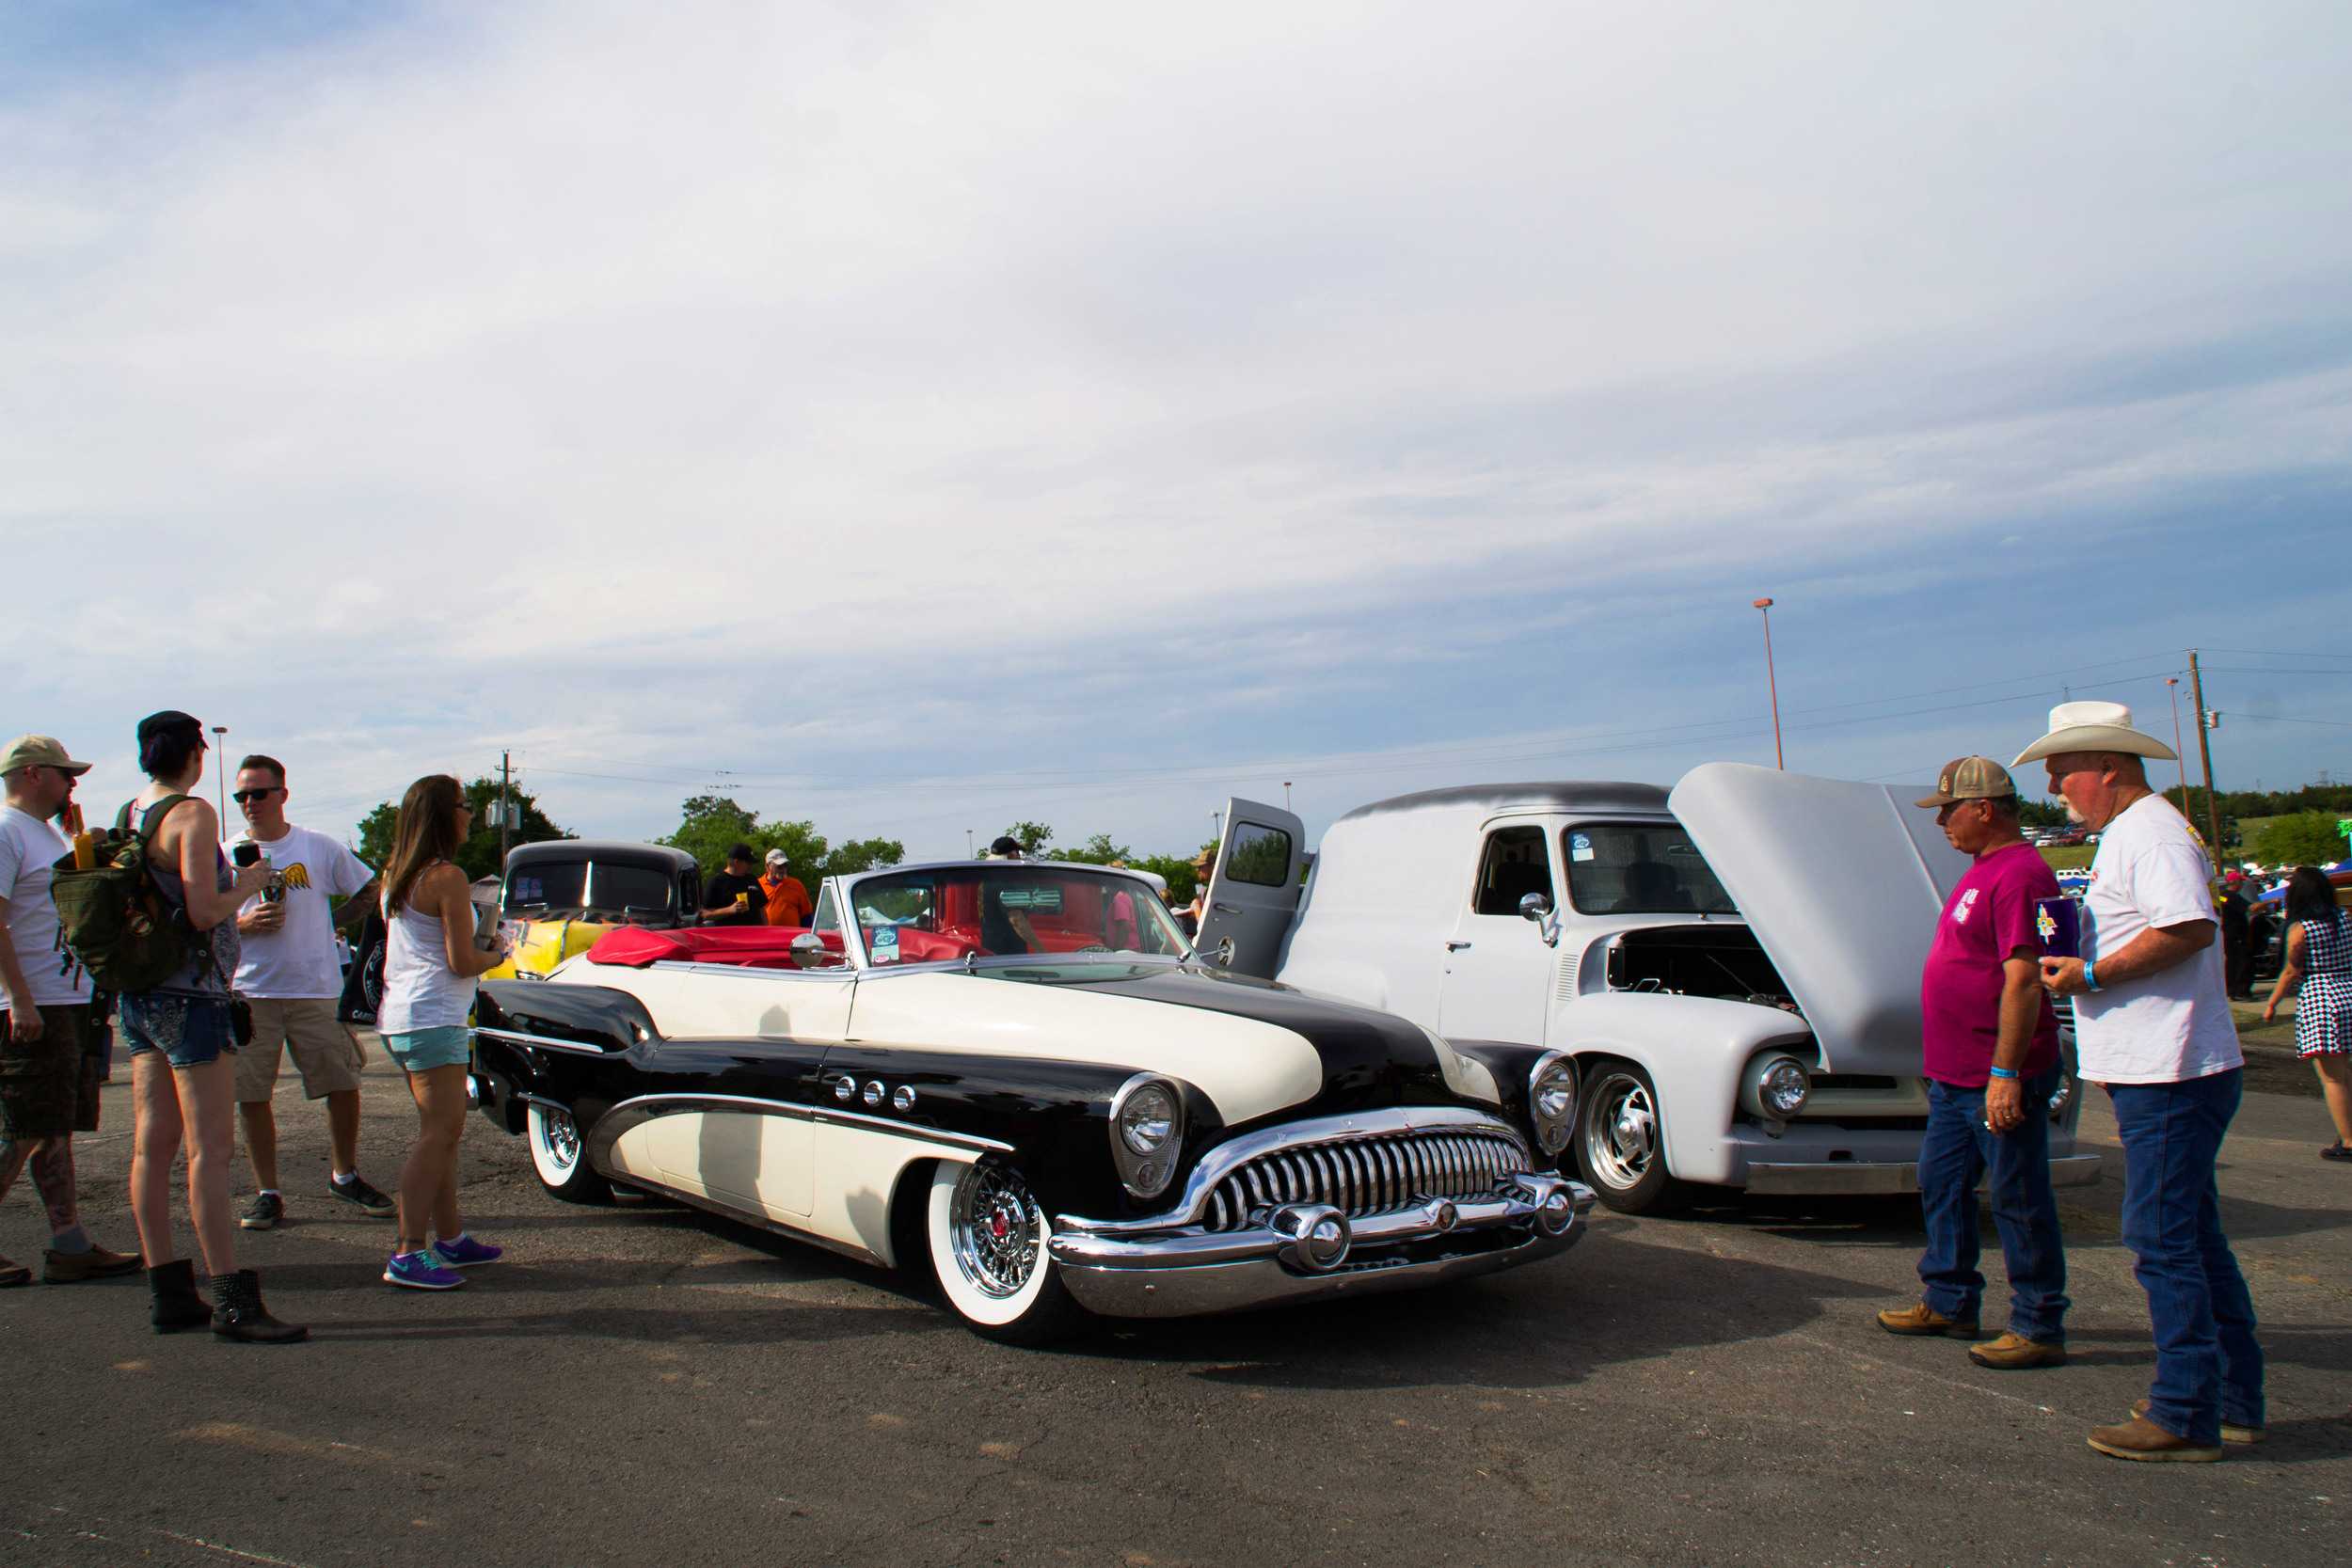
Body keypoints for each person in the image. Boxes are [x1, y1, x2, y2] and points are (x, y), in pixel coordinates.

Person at [2021, 701, 2262, 1461]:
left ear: (2109, 768)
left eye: (2064, 773)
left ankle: (2184, 1410)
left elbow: (2188, 926)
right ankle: (2229, 1398)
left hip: (2169, 1066)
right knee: (2193, 1235)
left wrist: (2089, 971)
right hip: (2167, 1063)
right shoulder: (2141, 830)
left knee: (2161, 1237)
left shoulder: (2149, 832)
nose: (2057, 788)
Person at [1877, 757, 2070, 1369]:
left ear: (1984, 808)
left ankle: (2038, 1321)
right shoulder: (1986, 870)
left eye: (1948, 811)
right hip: (1955, 1075)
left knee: (2017, 1195)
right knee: (1940, 1181)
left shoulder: (2022, 875)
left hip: (1993, 1074)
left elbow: (2026, 979)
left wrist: (2006, 1073)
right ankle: (1951, 1297)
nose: (1941, 824)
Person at [118, 712, 303, 1341]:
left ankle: (168, 1289)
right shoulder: (192, 815)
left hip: (141, 996)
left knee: (152, 1146)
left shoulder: (133, 811)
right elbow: (201, 909)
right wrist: (246, 884)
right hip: (193, 999)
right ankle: (232, 1299)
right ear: (197, 751)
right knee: (211, 1151)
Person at [225, 754, 394, 1230]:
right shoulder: (225, 852)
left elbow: (370, 888)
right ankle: (268, 1192)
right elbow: (207, 915)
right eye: (241, 796)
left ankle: (345, 1174)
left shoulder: (316, 846)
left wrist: (332, 923)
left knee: (342, 1083)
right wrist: (242, 920)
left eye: (259, 793)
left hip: (316, 987)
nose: (250, 804)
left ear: (283, 793)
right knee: (252, 1093)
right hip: (251, 989)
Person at [0, 736, 141, 1288]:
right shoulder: (9, 830)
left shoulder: (47, 834)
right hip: (34, 1003)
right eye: (65, 773)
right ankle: (69, 1243)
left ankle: (70, 1243)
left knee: (54, 1127)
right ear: (34, 774)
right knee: (27, 1126)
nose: (73, 783)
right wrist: (20, 998)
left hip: (66, 1001)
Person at [376, 775, 509, 1290]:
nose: (470, 813)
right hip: (434, 1016)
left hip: (407, 1015)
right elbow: (460, 962)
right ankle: (408, 1251)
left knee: (444, 1135)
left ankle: (450, 1237)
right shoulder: (447, 877)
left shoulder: (399, 872)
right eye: (464, 805)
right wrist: (499, 953)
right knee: (439, 1134)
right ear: (442, 815)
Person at [2260, 866, 2352, 1161]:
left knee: (2332, 1077)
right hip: (2348, 987)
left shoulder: (2302, 928)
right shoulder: (2345, 918)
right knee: (2345, 1073)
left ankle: (2349, 1140)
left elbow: (2291, 970)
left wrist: (2272, 1003)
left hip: (2321, 996)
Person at [700, 844, 761, 927]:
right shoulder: (716, 882)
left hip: (755, 935)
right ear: (737, 862)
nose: (751, 866)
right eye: (749, 863)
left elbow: (762, 908)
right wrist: (730, 910)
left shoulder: (752, 879)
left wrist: (767, 930)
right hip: (729, 936)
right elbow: (704, 914)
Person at [2217, 870, 2254, 1001]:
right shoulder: (2232, 897)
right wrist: (2270, 901)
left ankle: (2231, 989)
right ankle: (2240, 991)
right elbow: (2251, 908)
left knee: (2232, 962)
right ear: (2235, 882)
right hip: (2237, 934)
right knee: (2242, 961)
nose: (2242, 885)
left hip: (2227, 932)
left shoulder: (2222, 896)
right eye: (2241, 882)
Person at [758, 848, 812, 927]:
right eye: (779, 866)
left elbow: (806, 915)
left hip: (792, 936)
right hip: (766, 937)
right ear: (767, 866)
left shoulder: (796, 884)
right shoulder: (757, 885)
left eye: (785, 865)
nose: (783, 869)